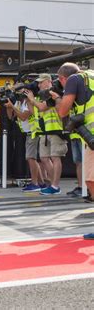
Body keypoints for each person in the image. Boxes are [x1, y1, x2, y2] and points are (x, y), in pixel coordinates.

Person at [54, 63, 94, 240]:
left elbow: (63, 111)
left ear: (63, 78)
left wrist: (58, 98)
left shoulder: (73, 79)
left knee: (91, 180)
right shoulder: (90, 76)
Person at [26, 73, 67, 195]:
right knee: (44, 158)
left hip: (56, 130)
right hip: (45, 131)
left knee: (55, 157)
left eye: (41, 82)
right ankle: (52, 184)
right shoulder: (41, 96)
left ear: (48, 81)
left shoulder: (53, 92)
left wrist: (32, 99)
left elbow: (43, 108)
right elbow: (35, 112)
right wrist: (28, 100)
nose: (38, 85)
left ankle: (55, 186)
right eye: (38, 82)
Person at [5, 89, 45, 192]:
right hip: (28, 133)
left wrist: (13, 107)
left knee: (30, 158)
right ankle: (41, 183)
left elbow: (23, 117)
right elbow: (11, 117)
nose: (17, 93)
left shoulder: (29, 102)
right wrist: (9, 107)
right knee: (31, 158)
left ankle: (35, 183)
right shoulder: (19, 102)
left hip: (34, 131)